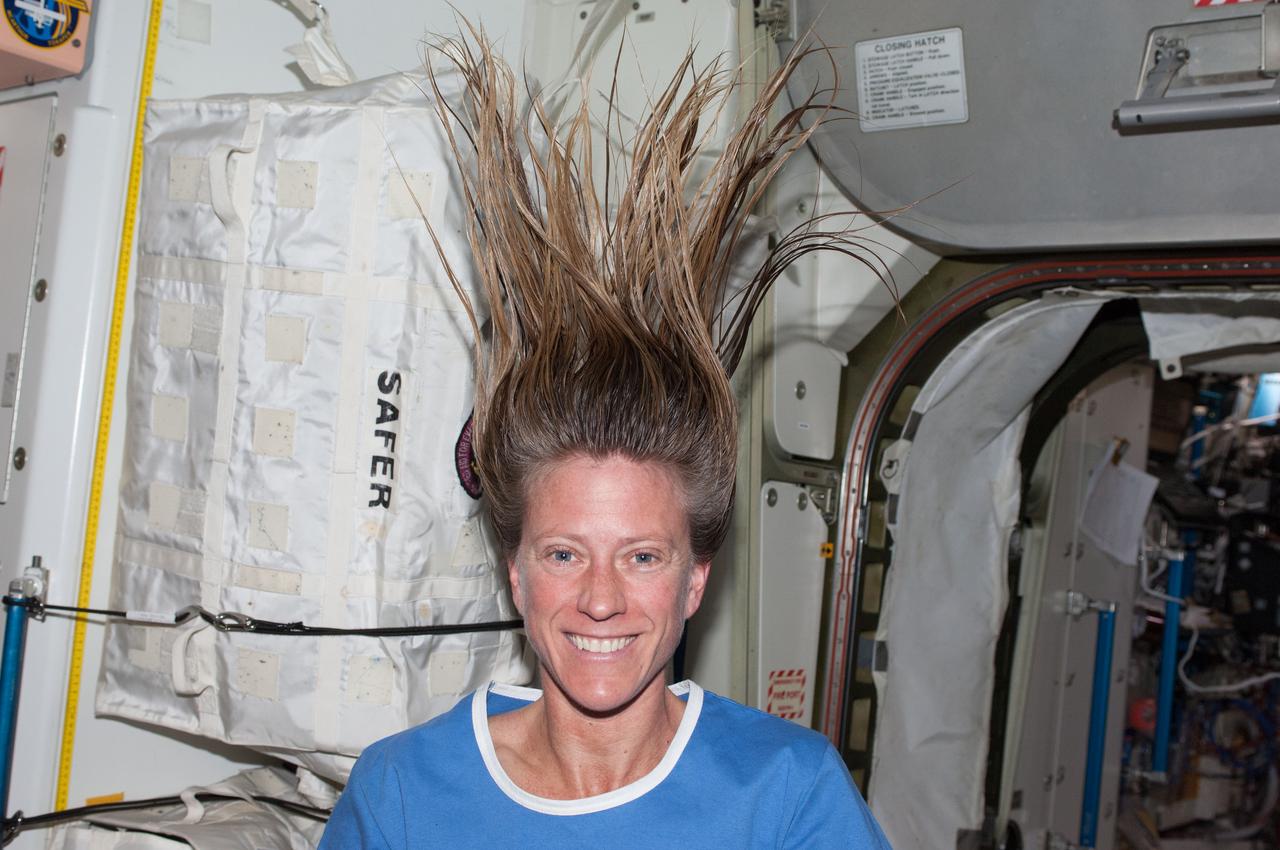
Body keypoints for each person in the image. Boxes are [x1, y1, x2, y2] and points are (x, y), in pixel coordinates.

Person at [319, 23, 893, 849]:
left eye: (643, 556)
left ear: (695, 581)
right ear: (516, 573)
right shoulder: (403, 792)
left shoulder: (785, 793)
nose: (599, 598)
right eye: (563, 553)